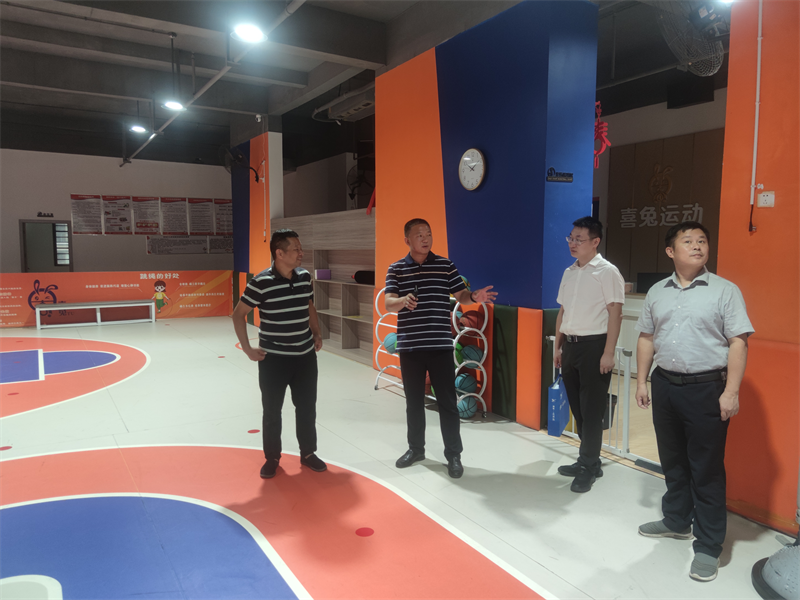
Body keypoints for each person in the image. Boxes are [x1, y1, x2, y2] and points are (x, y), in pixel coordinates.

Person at [635, 221, 754, 582]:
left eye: (702, 240)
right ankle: (676, 520)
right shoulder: (657, 291)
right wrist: (641, 381)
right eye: (688, 241)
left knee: (706, 469)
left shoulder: (725, 290)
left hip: (706, 388)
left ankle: (708, 545)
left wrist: (730, 391)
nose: (697, 246)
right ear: (671, 251)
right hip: (665, 385)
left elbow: (738, 342)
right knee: (672, 460)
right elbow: (646, 337)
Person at [385, 218, 497, 478]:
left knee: (448, 403)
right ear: (407, 240)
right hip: (411, 347)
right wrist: (402, 301)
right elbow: (389, 303)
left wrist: (474, 297)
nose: (425, 238)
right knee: (414, 403)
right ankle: (416, 449)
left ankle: (453, 455)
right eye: (419, 235)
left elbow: (461, 295)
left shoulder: (445, 265)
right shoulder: (396, 268)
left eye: (428, 234)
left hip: (440, 346)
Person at [232, 229, 326, 479]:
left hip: (305, 357)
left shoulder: (304, 277)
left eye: (300, 248)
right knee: (272, 410)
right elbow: (238, 314)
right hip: (273, 359)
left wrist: (316, 333)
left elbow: (309, 305)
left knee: (307, 407)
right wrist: (247, 349)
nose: (301, 253)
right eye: (296, 249)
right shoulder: (260, 282)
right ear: (279, 253)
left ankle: (308, 453)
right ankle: (272, 457)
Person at [553, 216, 625, 493]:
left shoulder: (608, 272)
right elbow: (562, 311)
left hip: (595, 347)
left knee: (592, 410)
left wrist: (608, 352)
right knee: (578, 408)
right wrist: (558, 346)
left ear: (595, 242)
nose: (572, 243)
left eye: (579, 239)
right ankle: (590, 460)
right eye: (570, 238)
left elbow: (615, 313)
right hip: (571, 346)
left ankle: (587, 466)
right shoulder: (569, 271)